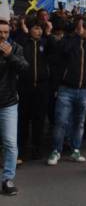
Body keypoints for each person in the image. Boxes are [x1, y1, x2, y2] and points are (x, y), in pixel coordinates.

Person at [48, 17, 86, 165]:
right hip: (66, 89)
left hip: (84, 89)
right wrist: (76, 36)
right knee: (61, 122)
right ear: (77, 29)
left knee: (79, 122)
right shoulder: (66, 41)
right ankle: (56, 151)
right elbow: (64, 51)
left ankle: (75, 149)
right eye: (85, 27)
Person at [0, 17, 28, 195]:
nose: (3, 36)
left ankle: (7, 179)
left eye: (6, 32)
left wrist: (10, 55)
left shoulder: (16, 48)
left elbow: (24, 68)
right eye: (0, 33)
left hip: (8, 103)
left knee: (10, 143)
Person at [16, 20, 49, 161]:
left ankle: (37, 148)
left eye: (40, 28)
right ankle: (21, 149)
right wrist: (22, 31)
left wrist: (48, 32)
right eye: (36, 28)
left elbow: (56, 50)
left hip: (41, 87)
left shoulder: (45, 43)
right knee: (23, 120)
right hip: (25, 87)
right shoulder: (23, 43)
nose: (39, 31)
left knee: (39, 120)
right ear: (29, 30)